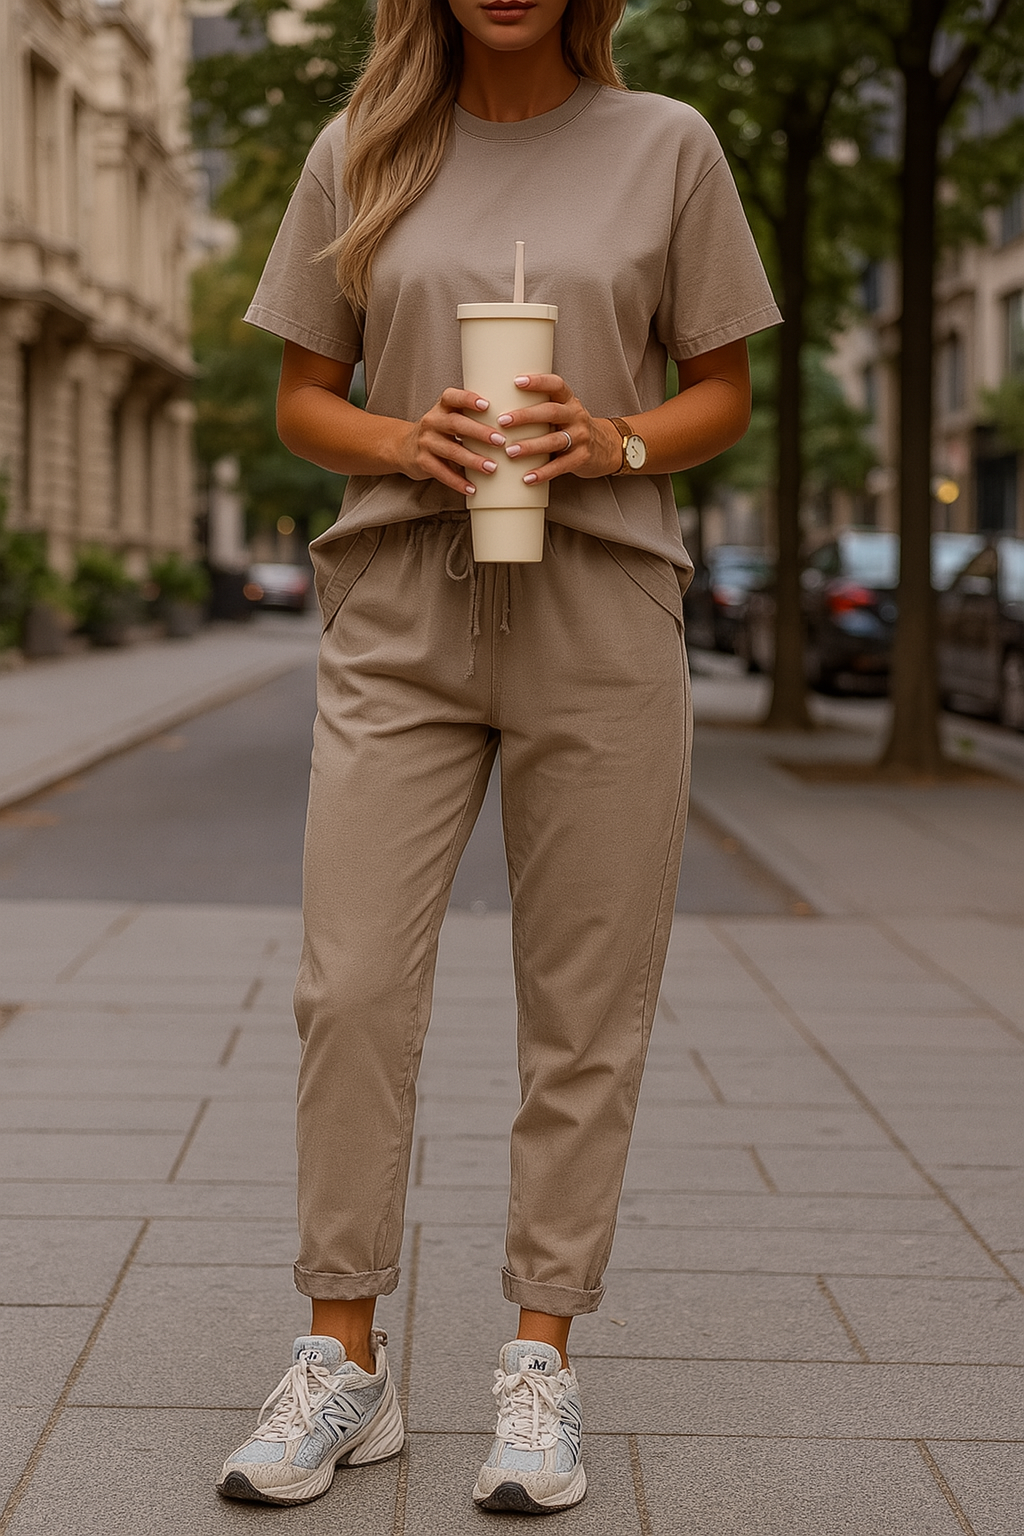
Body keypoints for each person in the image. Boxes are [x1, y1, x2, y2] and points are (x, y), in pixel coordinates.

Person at [216, 0, 780, 1515]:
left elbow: (723, 388)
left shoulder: (670, 146)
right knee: (350, 988)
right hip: (402, 605)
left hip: (600, 603)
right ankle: (344, 1358)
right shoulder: (362, 152)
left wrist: (618, 444)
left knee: (584, 1001)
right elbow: (301, 405)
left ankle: (541, 1367)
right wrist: (411, 441)